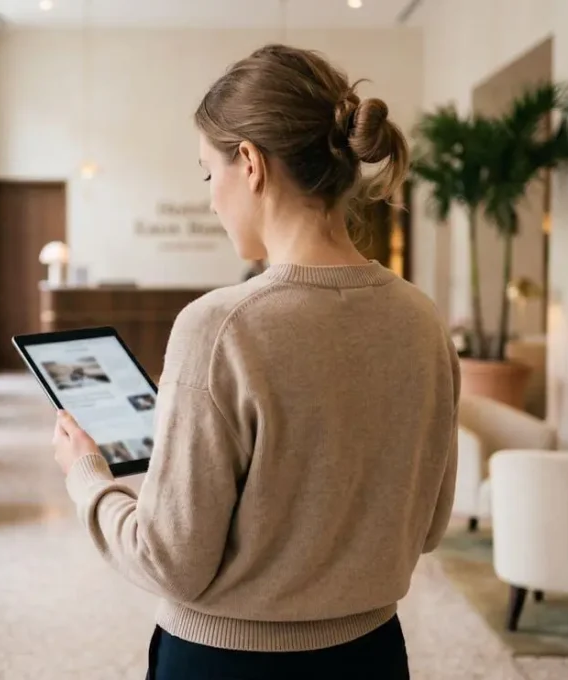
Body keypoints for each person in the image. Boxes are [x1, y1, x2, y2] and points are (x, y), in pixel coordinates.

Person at [51, 44, 458, 679]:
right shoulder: (421, 318)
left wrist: (87, 477)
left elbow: (170, 561)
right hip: (374, 656)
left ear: (250, 163)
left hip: (227, 663)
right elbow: (428, 525)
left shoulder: (219, 328)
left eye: (209, 174)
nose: (212, 200)